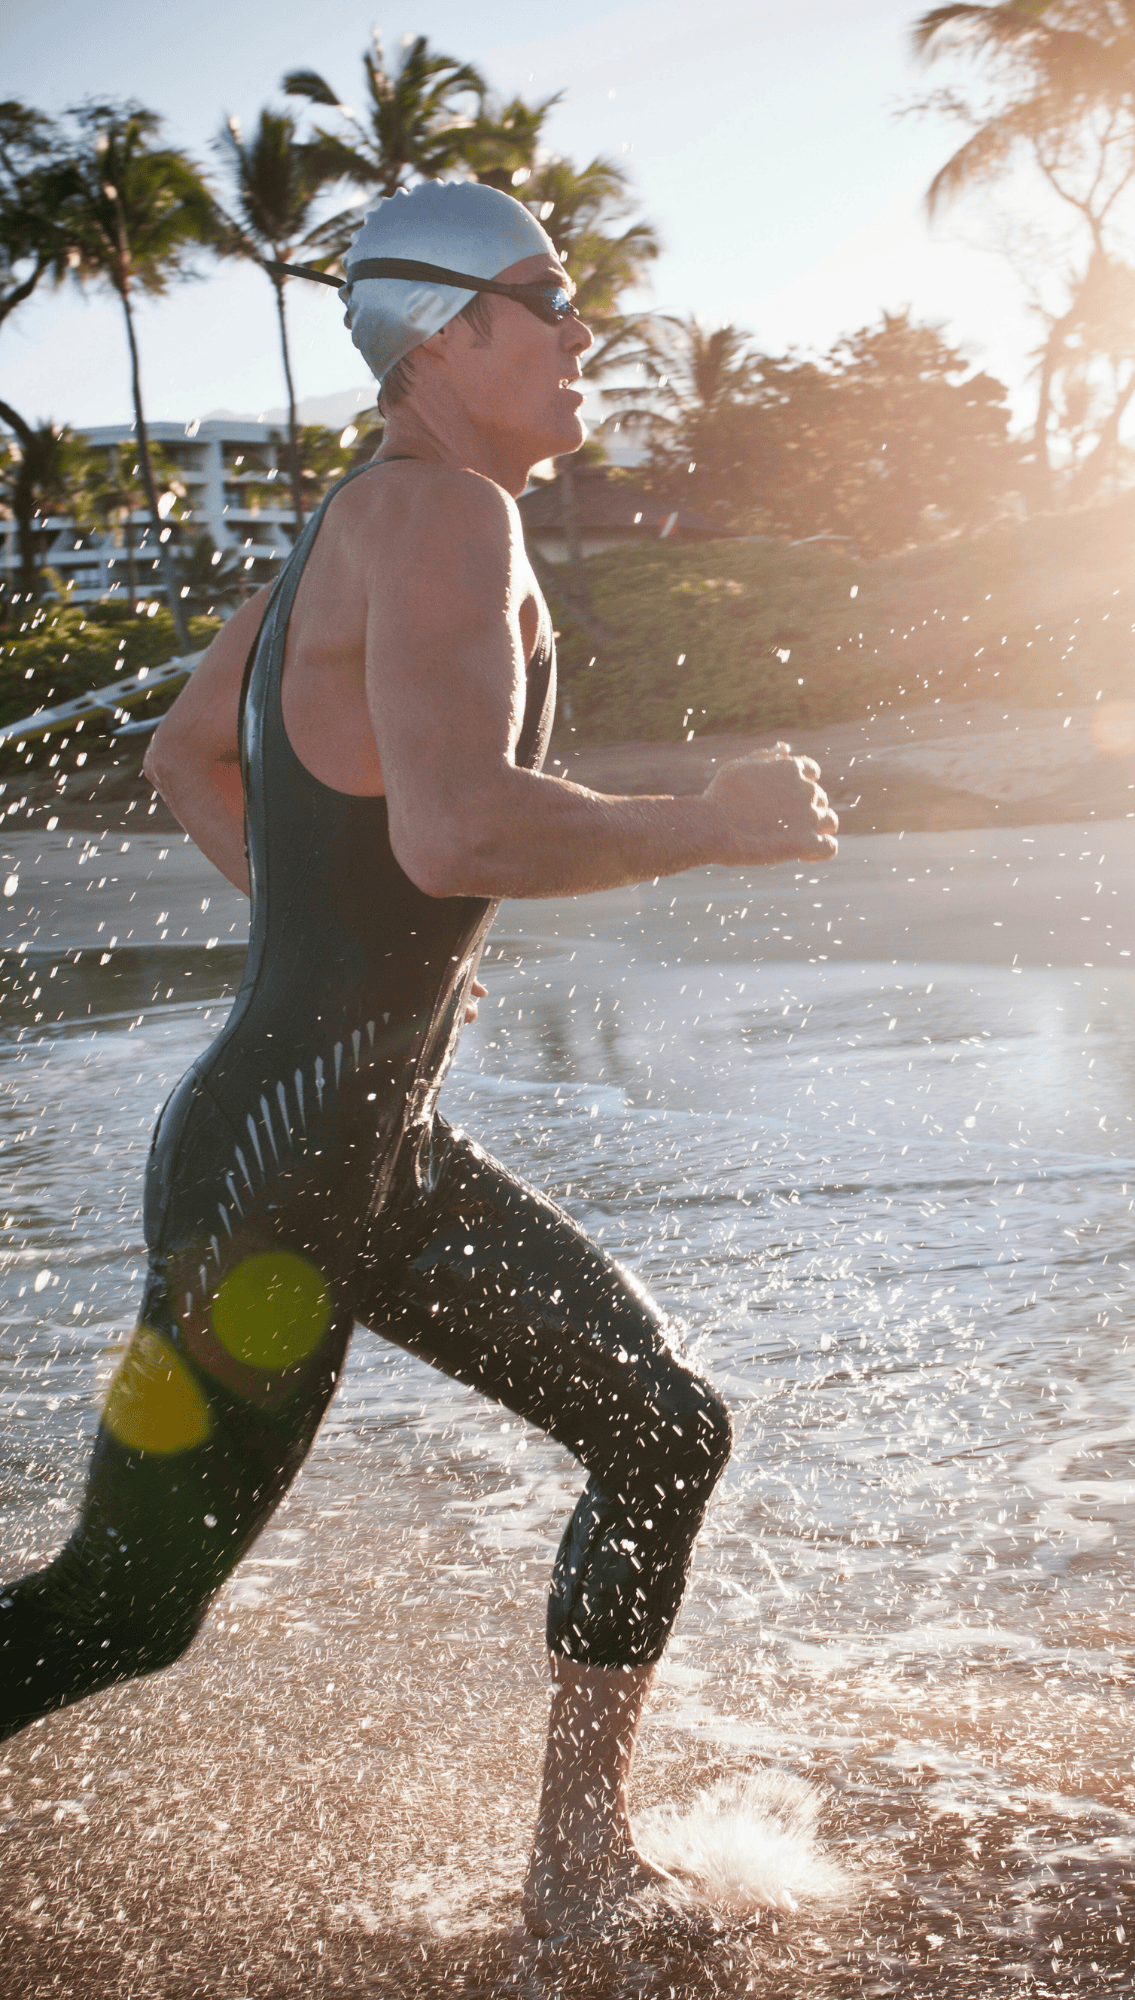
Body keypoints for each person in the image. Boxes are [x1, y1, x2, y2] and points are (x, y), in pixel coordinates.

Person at [0, 180, 837, 1936]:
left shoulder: (352, 523)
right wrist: (718, 821)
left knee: (663, 1429)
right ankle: (579, 1866)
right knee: (124, 1608)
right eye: (552, 297)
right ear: (449, 331)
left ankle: (580, 1866)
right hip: (283, 1171)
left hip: (353, 1144)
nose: (584, 330)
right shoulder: (447, 513)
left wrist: (334, 939)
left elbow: (183, 756)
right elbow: (460, 830)